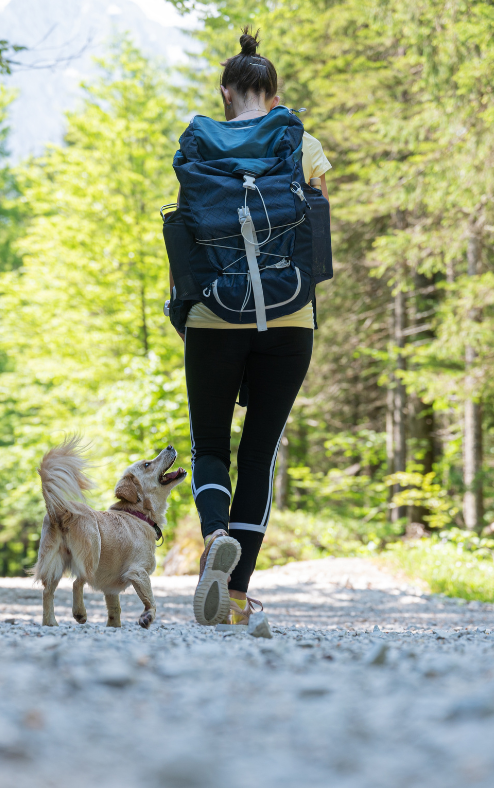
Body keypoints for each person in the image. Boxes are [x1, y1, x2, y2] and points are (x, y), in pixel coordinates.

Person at [176, 28, 331, 627]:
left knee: (211, 445)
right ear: (274, 92)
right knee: (259, 451)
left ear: (225, 91)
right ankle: (236, 595)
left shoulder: (198, 143)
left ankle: (215, 534)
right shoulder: (304, 144)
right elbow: (316, 231)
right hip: (289, 314)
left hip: (213, 312)